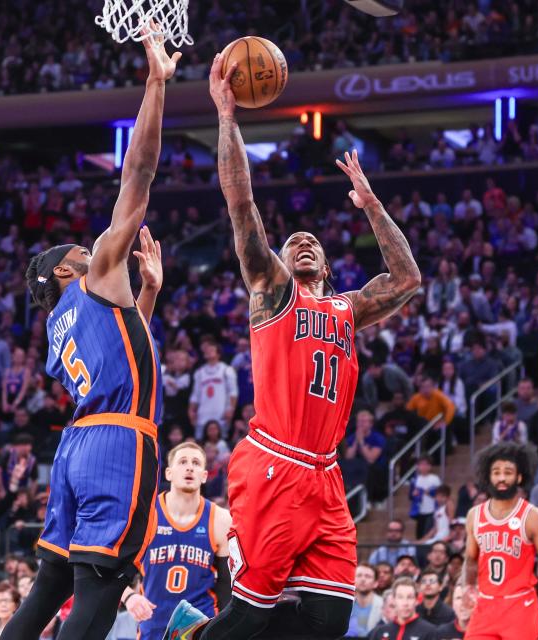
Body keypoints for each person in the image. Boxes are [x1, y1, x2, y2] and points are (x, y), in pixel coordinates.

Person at [165, 54, 421, 640]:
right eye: (293, 241)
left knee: (329, 621)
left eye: (312, 242)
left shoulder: (347, 309)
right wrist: (227, 117)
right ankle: (189, 636)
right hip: (276, 462)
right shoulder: (275, 292)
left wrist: (373, 206)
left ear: (328, 264)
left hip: (325, 475)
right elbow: (241, 209)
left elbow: (406, 280)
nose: (302, 241)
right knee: (253, 611)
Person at [1, 33, 179, 640]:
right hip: (118, 447)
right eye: (83, 247)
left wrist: (148, 295)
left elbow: (124, 356)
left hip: (76, 449)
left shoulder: (58, 324)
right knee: (98, 594)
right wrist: (156, 84)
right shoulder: (100, 269)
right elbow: (139, 174)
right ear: (64, 269)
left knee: (48, 585)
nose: (95, 244)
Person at [119, 442, 232, 640]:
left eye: (196, 463)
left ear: (204, 476)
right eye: (183, 462)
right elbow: (112, 570)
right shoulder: (147, 515)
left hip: (201, 626)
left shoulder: (220, 519)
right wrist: (129, 597)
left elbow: (226, 587)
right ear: (169, 473)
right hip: (153, 625)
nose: (189, 467)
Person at [463, 442, 538, 640]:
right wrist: (468, 586)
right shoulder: (475, 515)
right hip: (486, 606)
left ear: (519, 477)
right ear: (488, 477)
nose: (501, 478)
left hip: (520, 606)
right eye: (496, 472)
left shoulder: (532, 516)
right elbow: (471, 559)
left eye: (508, 472)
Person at [347, 565, 385, 638]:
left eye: (367, 576)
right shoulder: (345, 604)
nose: (363, 579)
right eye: (359, 575)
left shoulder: (384, 605)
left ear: (376, 583)